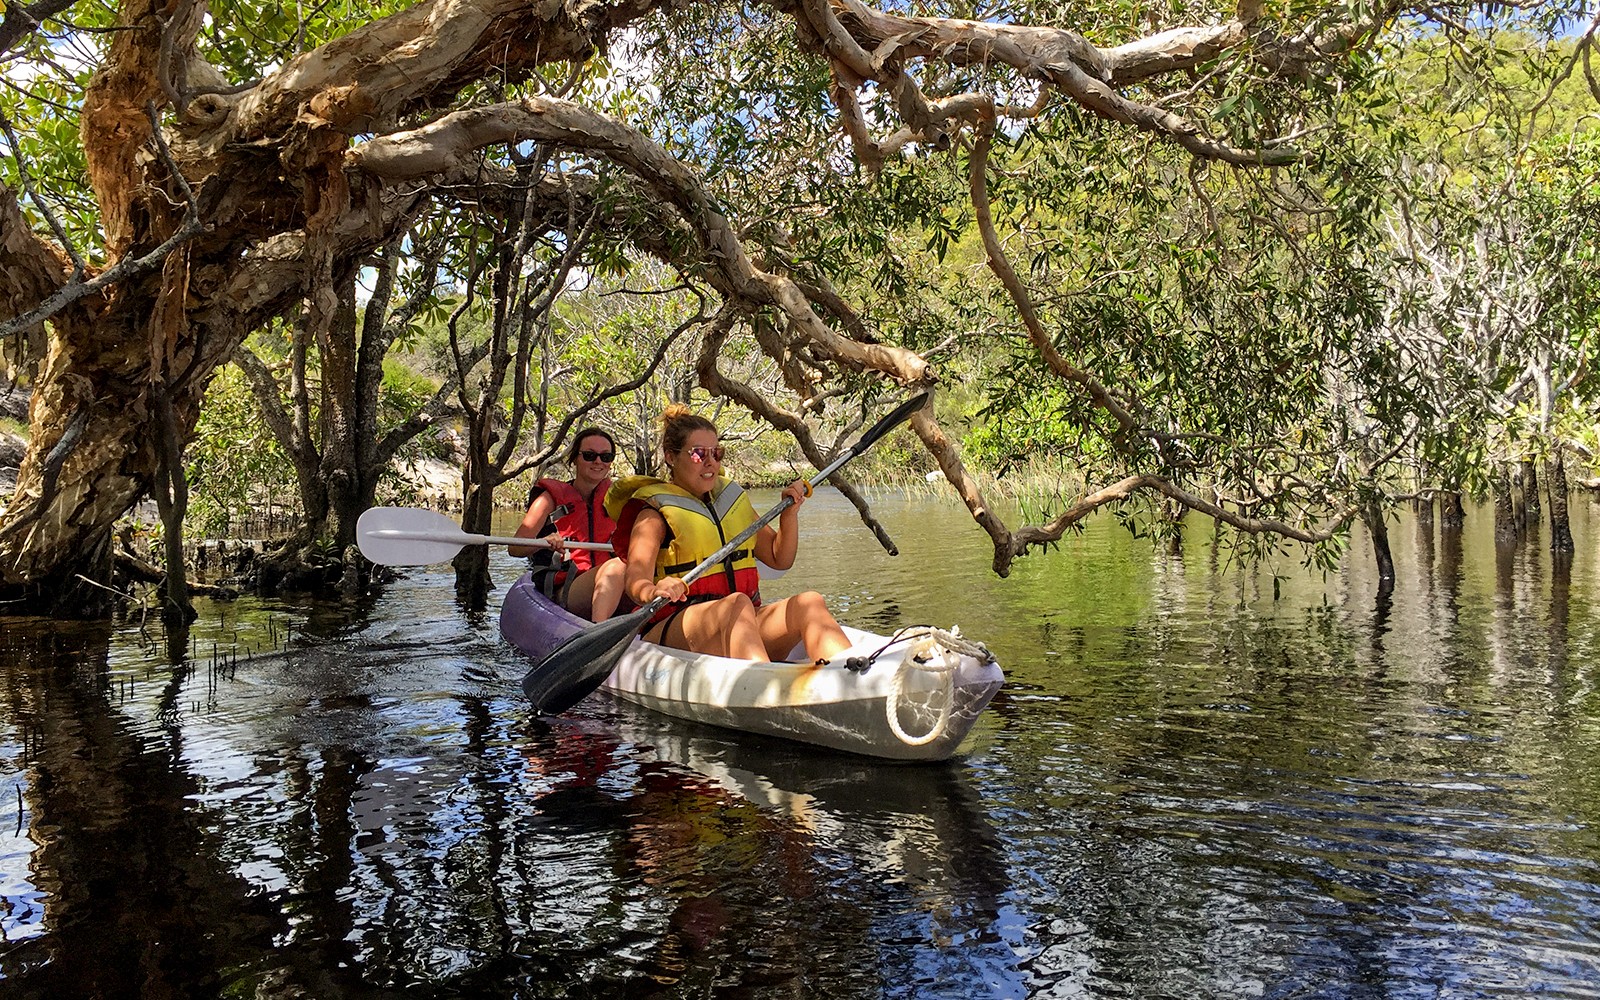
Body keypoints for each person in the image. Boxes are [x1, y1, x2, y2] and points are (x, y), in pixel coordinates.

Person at [607, 404, 852, 664]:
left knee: (809, 603)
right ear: (671, 457)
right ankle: (762, 688)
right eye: (698, 454)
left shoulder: (731, 502)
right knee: (736, 604)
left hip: (738, 620)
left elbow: (779, 558)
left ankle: (849, 677)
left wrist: (789, 516)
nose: (711, 462)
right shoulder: (652, 514)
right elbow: (635, 581)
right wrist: (654, 589)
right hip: (674, 627)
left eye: (717, 452)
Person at [509, 427, 626, 621]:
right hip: (569, 589)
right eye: (589, 455)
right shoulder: (549, 500)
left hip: (614, 585)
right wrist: (545, 540)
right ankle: (598, 633)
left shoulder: (619, 501)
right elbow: (515, 548)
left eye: (606, 457)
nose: (598, 461)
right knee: (617, 567)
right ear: (574, 459)